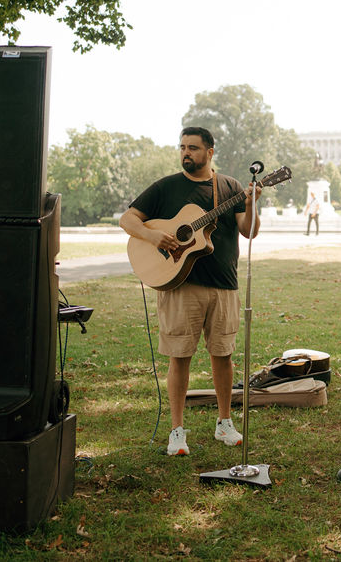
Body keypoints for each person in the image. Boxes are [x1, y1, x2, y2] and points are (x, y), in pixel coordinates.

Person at [119, 126, 261, 456]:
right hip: (180, 285)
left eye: (193, 148)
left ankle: (224, 423)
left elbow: (249, 231)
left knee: (223, 355)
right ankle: (177, 430)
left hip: (224, 284)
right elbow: (128, 220)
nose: (186, 152)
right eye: (182, 147)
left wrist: (252, 204)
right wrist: (153, 236)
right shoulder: (166, 187)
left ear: (209, 152)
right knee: (179, 357)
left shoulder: (230, 187)